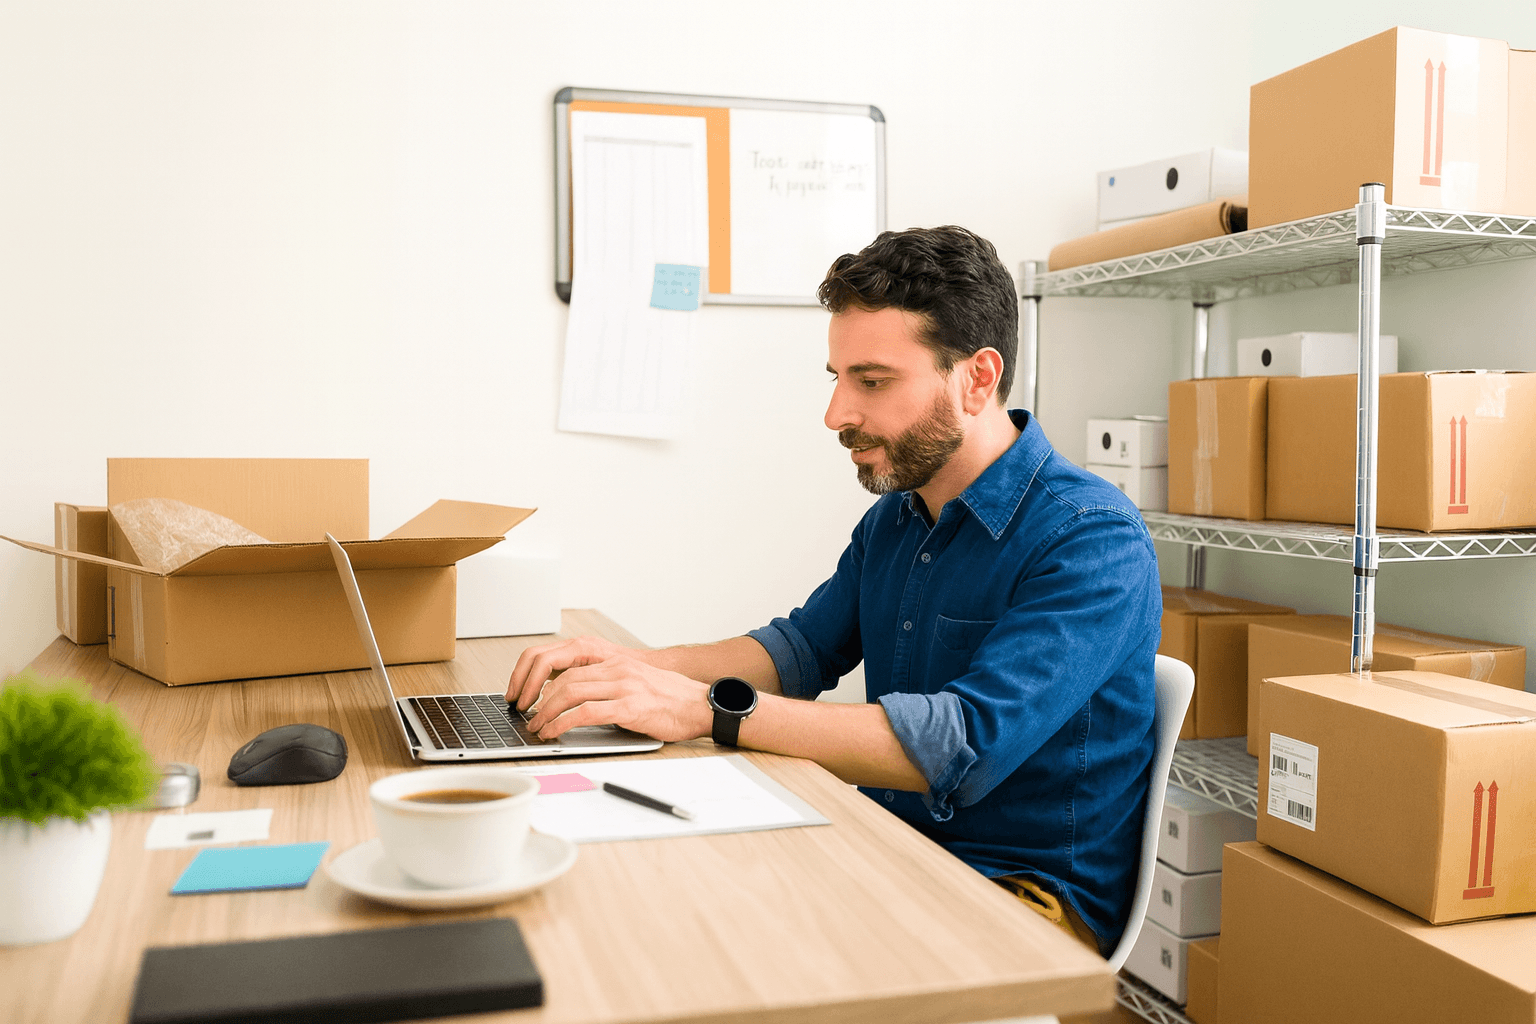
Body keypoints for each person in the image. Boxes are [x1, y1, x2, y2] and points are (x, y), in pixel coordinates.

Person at [507, 225, 1161, 955]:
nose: (837, 414)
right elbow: (798, 652)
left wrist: (705, 710)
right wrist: (633, 668)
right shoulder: (898, 516)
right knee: (644, 904)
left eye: (872, 382)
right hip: (890, 843)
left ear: (977, 378)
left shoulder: (1091, 538)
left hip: (1020, 897)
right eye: (837, 378)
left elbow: (960, 746)